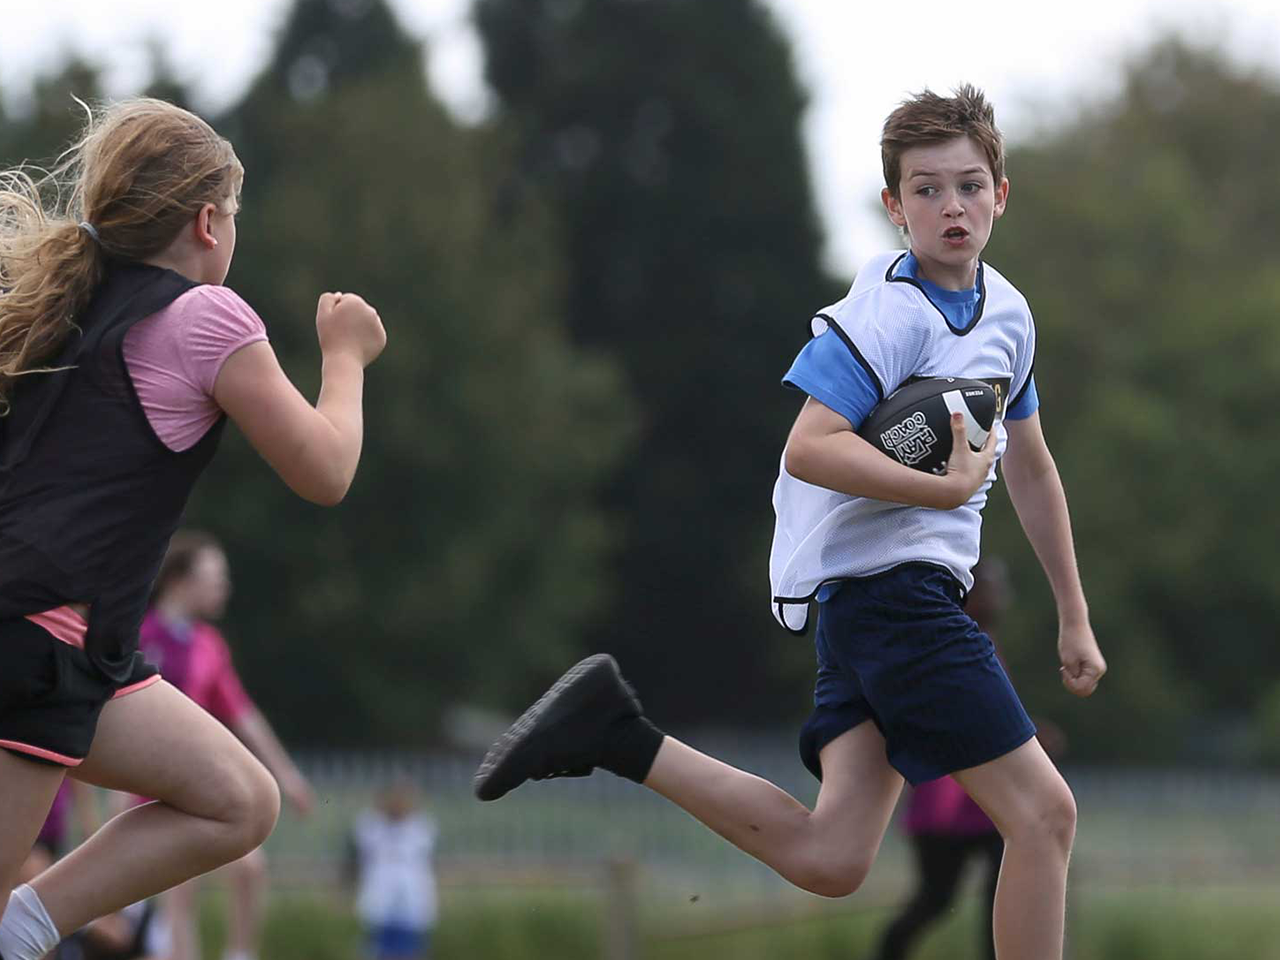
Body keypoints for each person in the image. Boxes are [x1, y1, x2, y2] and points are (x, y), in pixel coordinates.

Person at [473, 86, 1106, 960]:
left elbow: (1031, 466)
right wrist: (940, 494)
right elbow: (809, 447)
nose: (950, 206)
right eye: (925, 189)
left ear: (1002, 192)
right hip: (897, 602)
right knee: (1044, 814)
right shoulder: (885, 311)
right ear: (894, 207)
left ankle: (613, 733)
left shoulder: (1010, 316)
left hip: (883, 608)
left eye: (968, 185)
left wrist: (1072, 612)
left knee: (832, 855)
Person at [0, 96, 386, 960]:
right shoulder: (208, 317)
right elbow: (325, 470)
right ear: (208, 222)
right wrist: (346, 357)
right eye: (237, 216)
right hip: (34, 650)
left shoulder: (62, 305)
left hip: (71, 652)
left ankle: (19, 934)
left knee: (238, 800)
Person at [137, 531, 316, 960]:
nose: (224, 587)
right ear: (180, 580)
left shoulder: (208, 646)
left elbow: (244, 716)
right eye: (215, 577)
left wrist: (287, 776)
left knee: (250, 867)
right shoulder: (141, 635)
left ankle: (240, 953)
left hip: (200, 781)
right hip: (153, 786)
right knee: (179, 891)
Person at [870, 558, 1011, 960]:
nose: (999, 596)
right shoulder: (950, 644)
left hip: (978, 805)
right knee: (936, 897)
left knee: (1002, 882)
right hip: (947, 803)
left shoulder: (984, 641)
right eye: (992, 586)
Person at [346, 778, 438, 960]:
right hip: (380, 903)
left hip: (412, 904)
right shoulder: (371, 827)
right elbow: (357, 858)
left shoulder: (421, 828)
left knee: (411, 951)